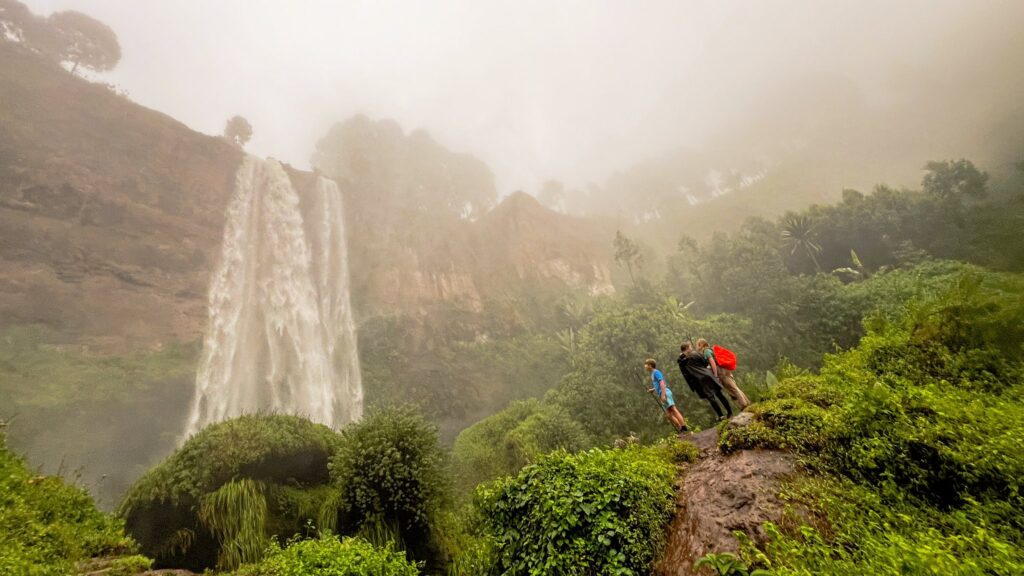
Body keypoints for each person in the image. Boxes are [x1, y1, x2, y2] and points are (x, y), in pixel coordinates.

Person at [677, 342, 733, 420]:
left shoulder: (681, 361)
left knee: (711, 398)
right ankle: (730, 412)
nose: (691, 348)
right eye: (690, 347)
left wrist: (692, 385)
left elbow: (685, 373)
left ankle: (721, 415)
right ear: (686, 348)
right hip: (708, 375)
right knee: (719, 394)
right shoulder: (695, 354)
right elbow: (705, 362)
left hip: (699, 380)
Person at [697, 338, 750, 409]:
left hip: (721, 371)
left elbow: (713, 363)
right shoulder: (710, 349)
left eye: (697, 345)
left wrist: (715, 375)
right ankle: (746, 403)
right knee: (733, 387)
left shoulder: (706, 352)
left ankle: (744, 405)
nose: (697, 347)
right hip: (725, 369)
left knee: (732, 388)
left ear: (701, 344)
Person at [644, 358, 688, 433]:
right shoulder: (653, 374)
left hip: (664, 392)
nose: (644, 366)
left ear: (650, 365)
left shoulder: (656, 372)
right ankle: (681, 428)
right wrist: (653, 389)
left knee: (673, 410)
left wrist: (663, 395)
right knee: (668, 415)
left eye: (646, 365)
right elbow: (658, 384)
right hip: (662, 393)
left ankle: (683, 427)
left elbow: (662, 383)